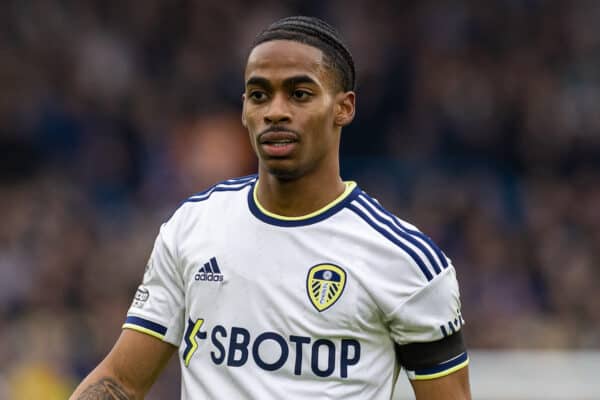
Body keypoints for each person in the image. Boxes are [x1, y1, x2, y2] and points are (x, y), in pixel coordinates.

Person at [70, 16, 471, 400]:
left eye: (299, 94)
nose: (275, 111)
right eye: (259, 94)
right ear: (245, 108)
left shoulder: (406, 263)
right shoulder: (193, 226)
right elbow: (120, 382)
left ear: (344, 107)